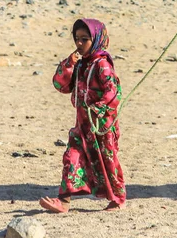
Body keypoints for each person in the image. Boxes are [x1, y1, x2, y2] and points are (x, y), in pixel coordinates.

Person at [39, 18, 126, 213]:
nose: (79, 44)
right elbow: (61, 85)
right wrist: (68, 65)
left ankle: (117, 199)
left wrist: (99, 108)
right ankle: (64, 201)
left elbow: (114, 92)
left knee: (107, 161)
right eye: (77, 38)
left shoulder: (102, 65)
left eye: (84, 39)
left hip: (101, 126)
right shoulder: (80, 64)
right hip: (82, 125)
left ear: (96, 40)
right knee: (72, 157)